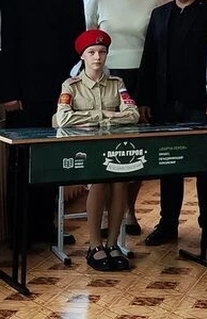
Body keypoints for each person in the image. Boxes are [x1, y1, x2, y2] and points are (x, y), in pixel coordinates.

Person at [0, 0, 85, 245]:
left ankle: (47, 226)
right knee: (22, 165)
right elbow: (3, 45)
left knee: (52, 163)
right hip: (22, 96)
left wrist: (75, 92)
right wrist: (8, 92)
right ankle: (20, 234)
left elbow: (77, 49)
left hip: (60, 96)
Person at [137, 0, 207, 246]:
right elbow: (149, 58)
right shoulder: (159, 14)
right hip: (165, 103)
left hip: (201, 103)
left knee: (205, 167)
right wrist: (144, 99)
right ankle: (168, 224)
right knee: (168, 165)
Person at [86, 0, 162, 236]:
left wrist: (148, 92)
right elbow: (88, 42)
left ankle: (129, 209)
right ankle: (106, 213)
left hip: (140, 78)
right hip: (106, 78)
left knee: (135, 147)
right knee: (106, 146)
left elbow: (155, 46)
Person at [53, 29, 140, 271]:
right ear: (82, 56)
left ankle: (112, 244)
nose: (97, 57)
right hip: (83, 151)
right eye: (91, 52)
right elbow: (63, 119)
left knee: (120, 182)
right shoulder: (71, 85)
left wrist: (90, 118)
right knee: (100, 180)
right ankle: (95, 245)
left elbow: (132, 114)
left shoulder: (117, 84)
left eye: (102, 52)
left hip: (111, 150)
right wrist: (104, 114)